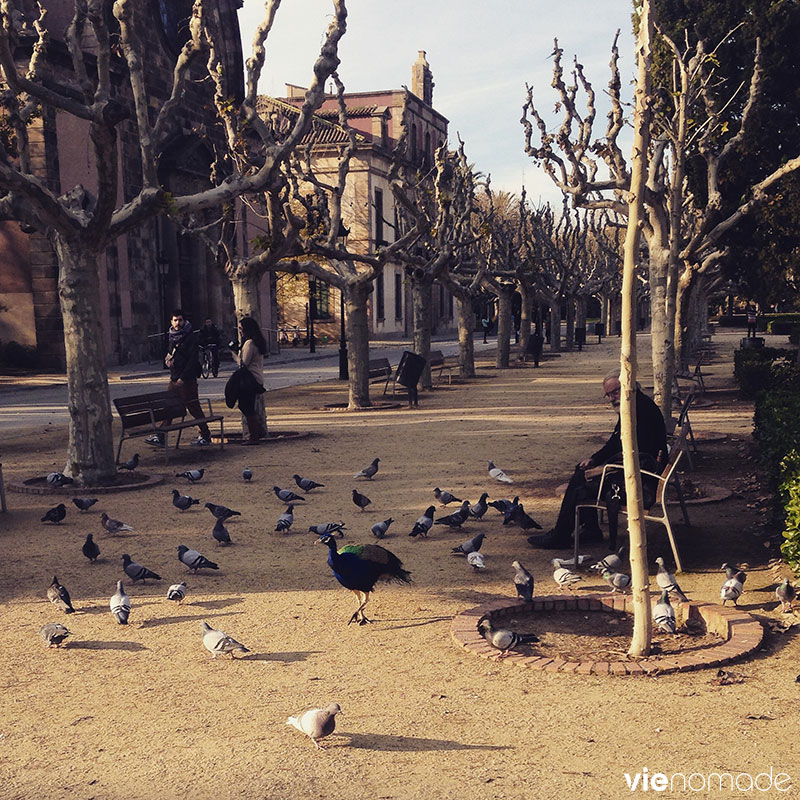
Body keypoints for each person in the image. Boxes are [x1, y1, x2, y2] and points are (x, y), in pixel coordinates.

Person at [527, 370, 668, 550]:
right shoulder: (635, 405)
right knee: (583, 471)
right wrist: (594, 459)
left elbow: (635, 453)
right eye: (608, 395)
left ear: (629, 386)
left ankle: (562, 535)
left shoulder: (639, 412)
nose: (611, 399)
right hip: (643, 472)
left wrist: (604, 468)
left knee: (581, 483)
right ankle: (587, 529)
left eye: (615, 392)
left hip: (642, 482)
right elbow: (616, 442)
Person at [145, 310, 212, 447]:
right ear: (171, 322)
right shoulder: (172, 336)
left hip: (187, 379)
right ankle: (161, 435)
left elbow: (192, 360)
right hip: (174, 377)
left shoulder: (190, 337)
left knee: (193, 407)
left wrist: (183, 378)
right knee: (169, 406)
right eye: (175, 320)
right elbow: (172, 353)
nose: (178, 323)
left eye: (180, 320)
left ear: (184, 321)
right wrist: (168, 360)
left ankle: (205, 434)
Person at [236, 316, 267, 445]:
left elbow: (243, 363)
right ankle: (257, 431)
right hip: (257, 377)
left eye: (240, 328)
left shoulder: (249, 343)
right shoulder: (258, 342)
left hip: (250, 379)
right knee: (249, 406)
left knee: (246, 406)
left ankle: (254, 435)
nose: (240, 331)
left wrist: (234, 354)